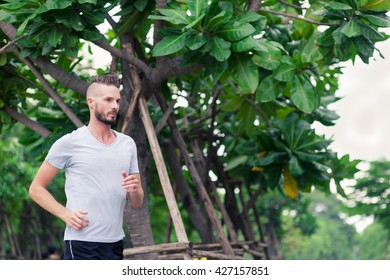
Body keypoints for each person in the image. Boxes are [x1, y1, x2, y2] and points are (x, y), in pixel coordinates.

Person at [29, 73, 144, 260]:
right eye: (108, 100)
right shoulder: (70, 142)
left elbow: (137, 202)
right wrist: (65, 214)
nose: (115, 106)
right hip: (82, 243)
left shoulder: (127, 144)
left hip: (115, 244)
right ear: (91, 102)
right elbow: (36, 189)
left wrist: (134, 190)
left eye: (117, 100)